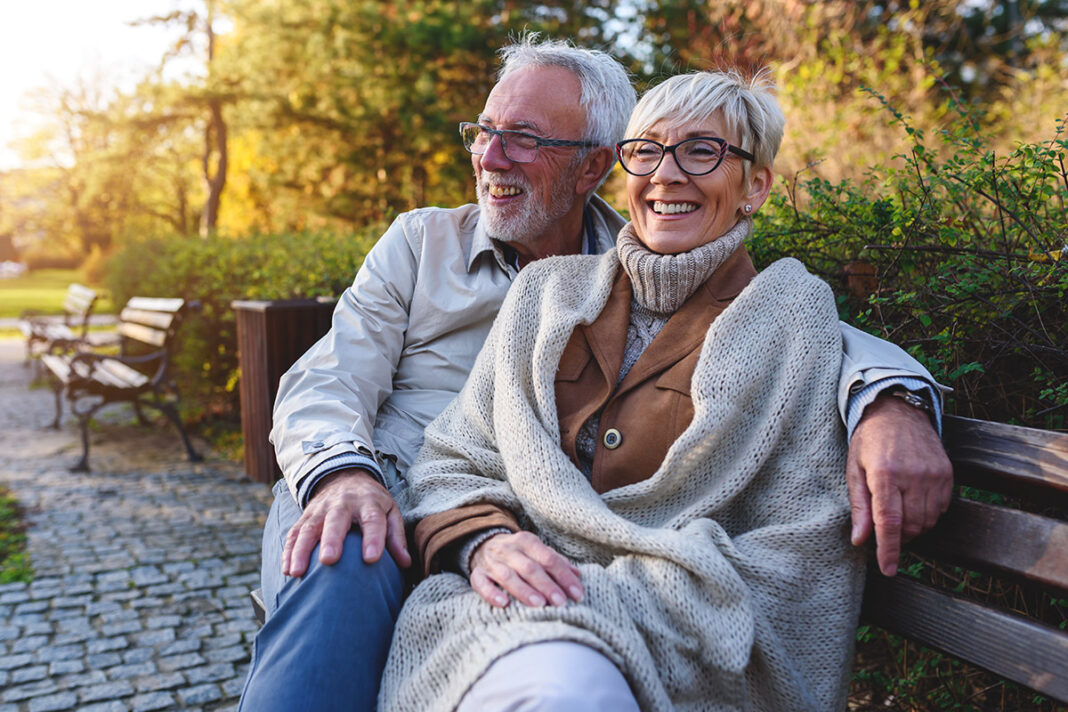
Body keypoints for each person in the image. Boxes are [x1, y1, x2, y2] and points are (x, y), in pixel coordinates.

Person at [239, 36, 952, 712]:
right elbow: (327, 381)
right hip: (385, 489)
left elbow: (796, 328)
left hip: (524, 551)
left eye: (524, 137)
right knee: (343, 549)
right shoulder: (429, 245)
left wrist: (892, 400)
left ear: (592, 168)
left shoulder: (647, 260)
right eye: (483, 132)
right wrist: (345, 476)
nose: (491, 156)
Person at [380, 66, 872, 711]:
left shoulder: (792, 318)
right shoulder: (545, 294)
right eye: (646, 151)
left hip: (679, 633)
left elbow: (801, 541)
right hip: (499, 610)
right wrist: (485, 541)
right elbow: (455, 458)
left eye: (702, 151)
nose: (666, 174)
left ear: (755, 185)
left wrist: (592, 596)